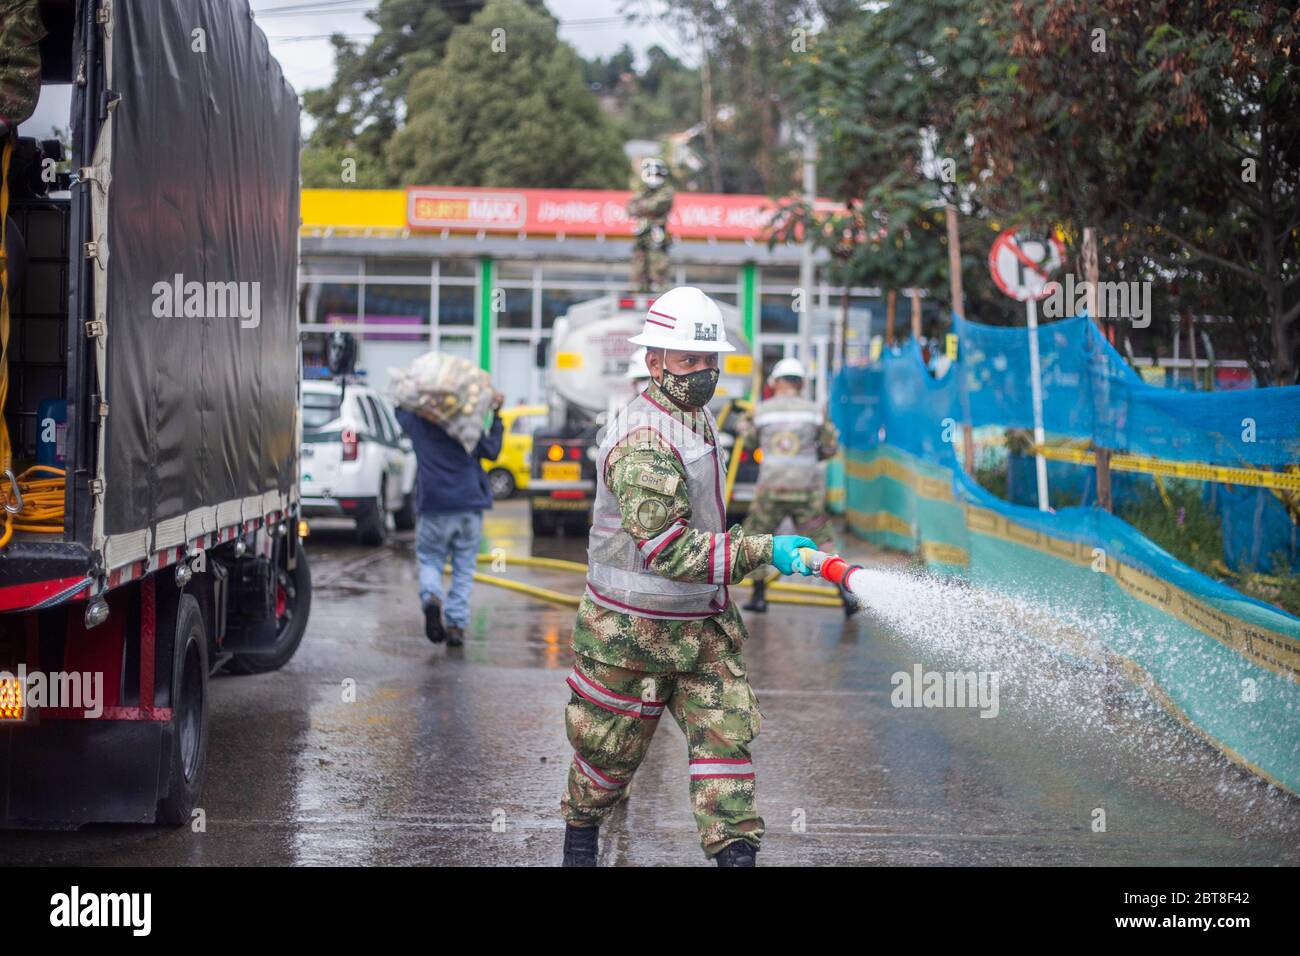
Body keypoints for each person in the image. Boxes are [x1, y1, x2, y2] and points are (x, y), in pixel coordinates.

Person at [560, 287, 818, 867]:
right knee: (604, 765)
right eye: (687, 362)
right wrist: (765, 549)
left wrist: (753, 552)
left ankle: (737, 857)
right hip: (629, 637)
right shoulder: (643, 440)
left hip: (701, 628)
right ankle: (578, 848)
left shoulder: (696, 418)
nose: (702, 373)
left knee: (726, 757)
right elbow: (669, 550)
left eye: (708, 361)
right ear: (654, 363)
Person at [739, 358, 856, 616]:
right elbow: (830, 447)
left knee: (757, 536)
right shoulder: (815, 411)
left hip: (771, 488)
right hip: (807, 489)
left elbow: (747, 445)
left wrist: (744, 427)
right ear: (801, 383)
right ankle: (846, 594)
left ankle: (758, 596)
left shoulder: (763, 410)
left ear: (776, 383)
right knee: (822, 537)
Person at [395, 390, 504, 648]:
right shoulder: (467, 427)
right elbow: (493, 450)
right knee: (463, 569)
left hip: (434, 507)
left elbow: (399, 411)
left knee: (430, 560)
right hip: (468, 506)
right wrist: (496, 414)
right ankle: (455, 626)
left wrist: (417, 397)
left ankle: (432, 597)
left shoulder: (421, 425)